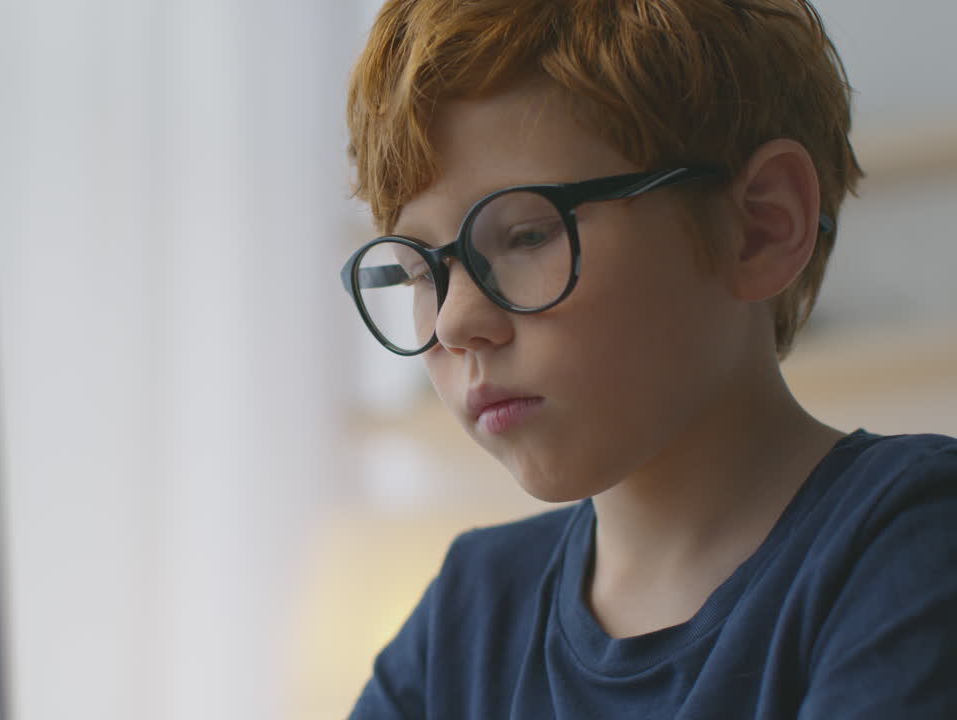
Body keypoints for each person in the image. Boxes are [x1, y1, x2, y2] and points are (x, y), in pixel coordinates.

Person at [337, 0, 957, 717]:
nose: (455, 322)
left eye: (528, 235)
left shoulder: (912, 540)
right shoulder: (468, 614)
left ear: (761, 226)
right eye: (420, 272)